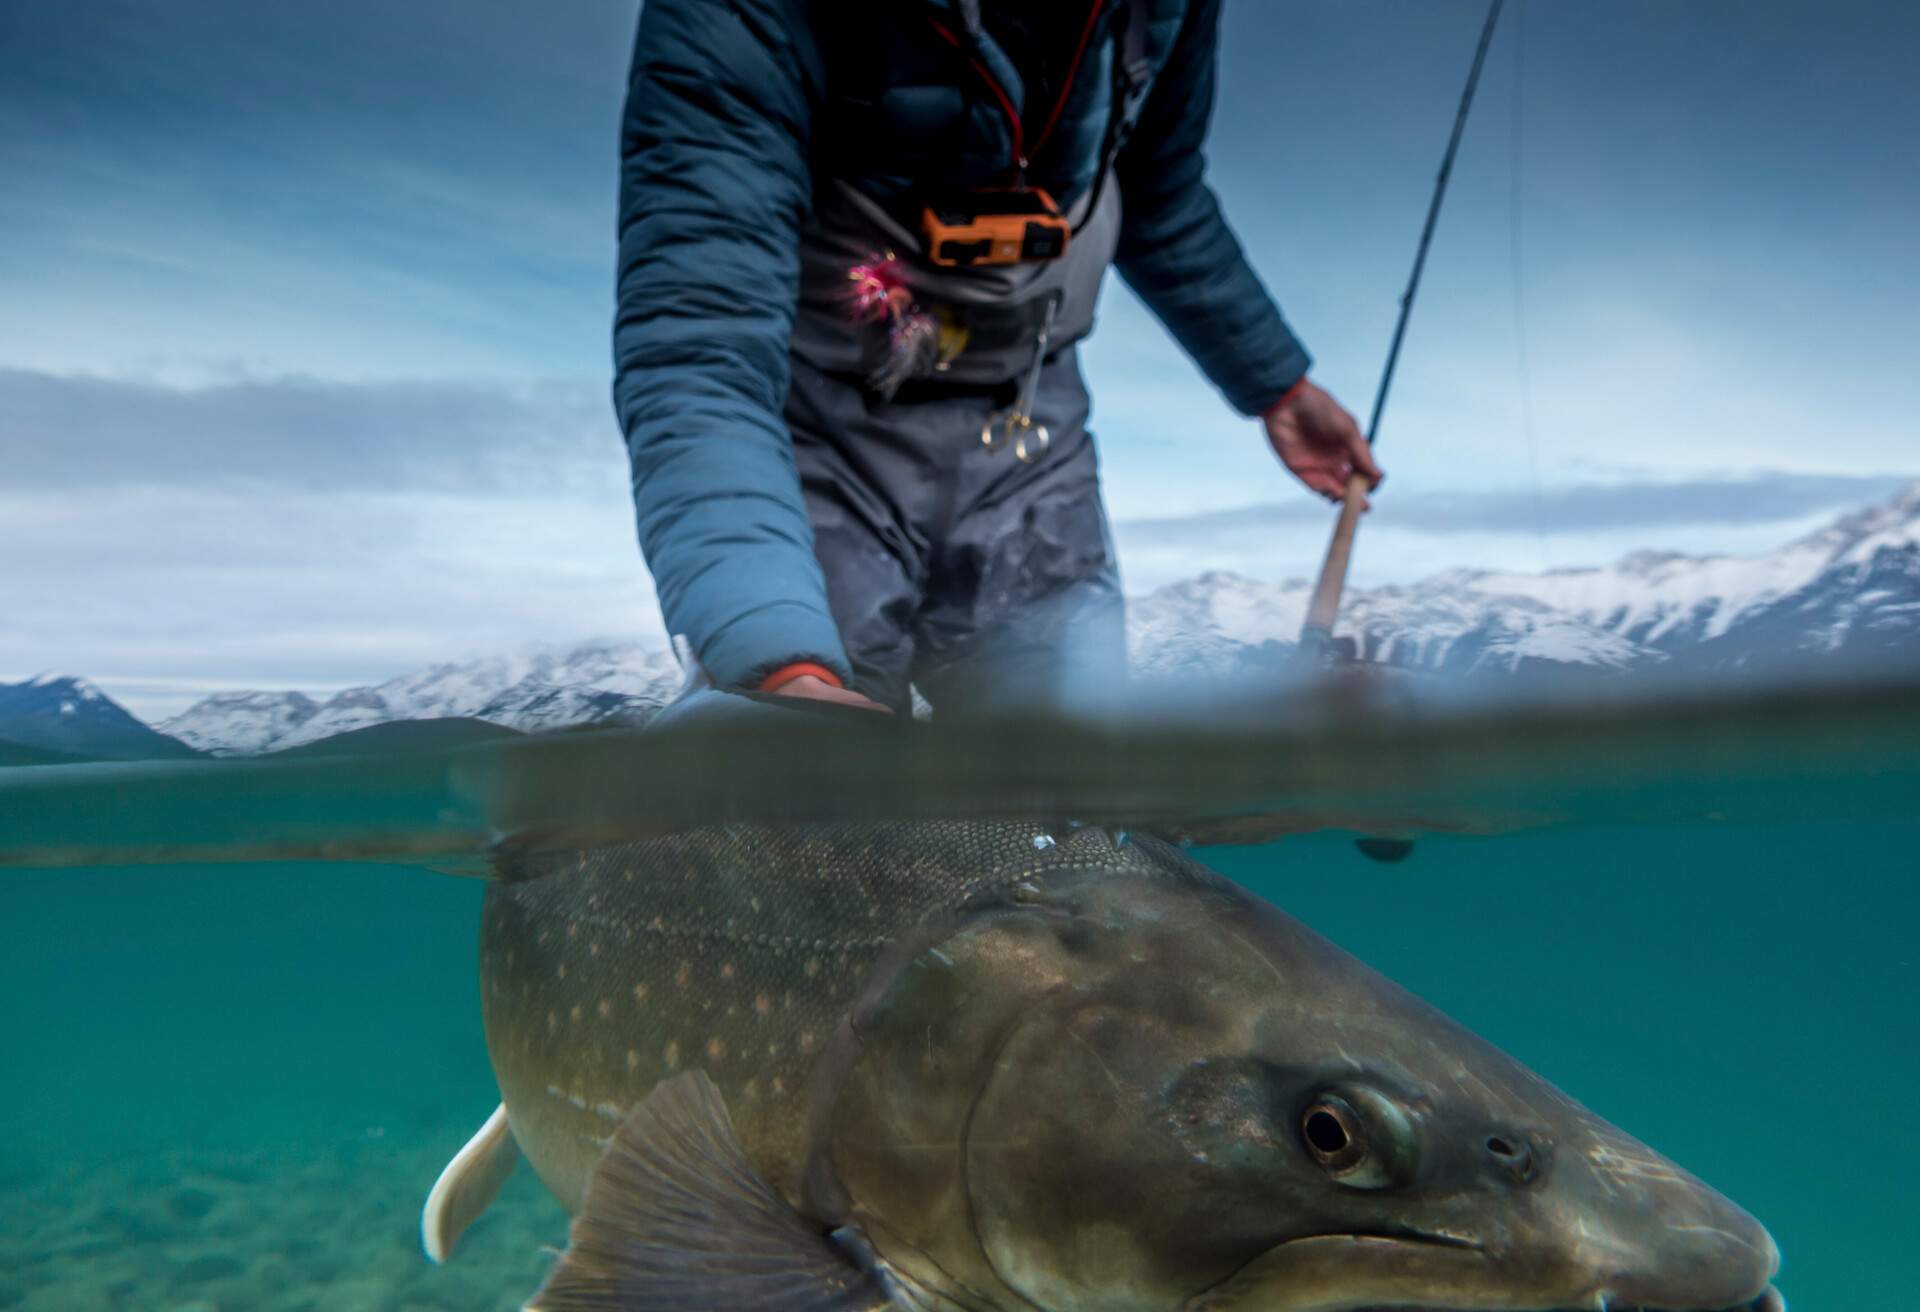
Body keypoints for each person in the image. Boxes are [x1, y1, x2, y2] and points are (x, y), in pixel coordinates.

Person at [615, 0, 1382, 716]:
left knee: (1072, 798)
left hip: (1033, 432)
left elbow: (1156, 189)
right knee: (822, 812)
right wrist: (776, 661)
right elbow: (699, 340)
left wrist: (1276, 383)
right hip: (812, 440)